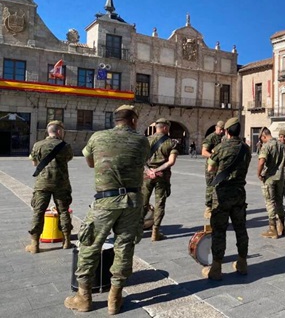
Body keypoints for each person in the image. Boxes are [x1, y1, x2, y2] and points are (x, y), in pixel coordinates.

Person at [64, 105, 150, 314]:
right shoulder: (141, 140)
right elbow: (141, 162)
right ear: (134, 120)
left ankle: (84, 297)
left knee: (90, 244)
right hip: (132, 201)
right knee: (124, 247)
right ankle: (115, 297)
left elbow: (90, 163)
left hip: (106, 200)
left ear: (116, 119)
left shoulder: (97, 137)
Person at [202, 117, 251, 280]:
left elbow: (210, 167)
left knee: (219, 231)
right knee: (240, 228)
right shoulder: (246, 149)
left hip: (222, 194)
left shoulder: (220, 148)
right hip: (239, 193)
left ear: (227, 131)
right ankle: (242, 262)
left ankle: (216, 268)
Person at [26, 120, 74, 253]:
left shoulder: (38, 145)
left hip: (43, 183)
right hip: (61, 183)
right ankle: (66, 241)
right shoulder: (65, 146)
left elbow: (34, 164)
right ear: (59, 131)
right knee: (63, 211)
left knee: (38, 212)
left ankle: (35, 244)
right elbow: (68, 158)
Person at [142, 118, 179, 241]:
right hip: (162, 176)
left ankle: (137, 230)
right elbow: (171, 162)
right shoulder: (171, 143)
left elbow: (140, 159)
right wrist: (157, 171)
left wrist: (149, 170)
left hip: (146, 176)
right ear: (165, 128)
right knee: (160, 204)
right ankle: (155, 232)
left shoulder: (146, 141)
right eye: (168, 127)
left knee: (143, 202)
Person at [258, 127, 285, 238]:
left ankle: (272, 229)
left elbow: (261, 162)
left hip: (269, 178)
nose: (262, 141)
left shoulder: (266, 146)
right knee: (279, 201)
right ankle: (282, 226)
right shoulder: (282, 146)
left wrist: (259, 173)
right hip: (280, 178)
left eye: (262, 139)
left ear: (264, 136)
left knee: (270, 202)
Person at [201, 120, 225, 218]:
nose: (222, 131)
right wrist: (215, 157)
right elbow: (203, 152)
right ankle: (208, 208)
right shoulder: (211, 138)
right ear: (216, 128)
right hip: (211, 167)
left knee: (220, 186)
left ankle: (218, 206)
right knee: (211, 187)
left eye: (224, 129)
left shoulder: (224, 138)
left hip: (220, 167)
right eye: (220, 129)